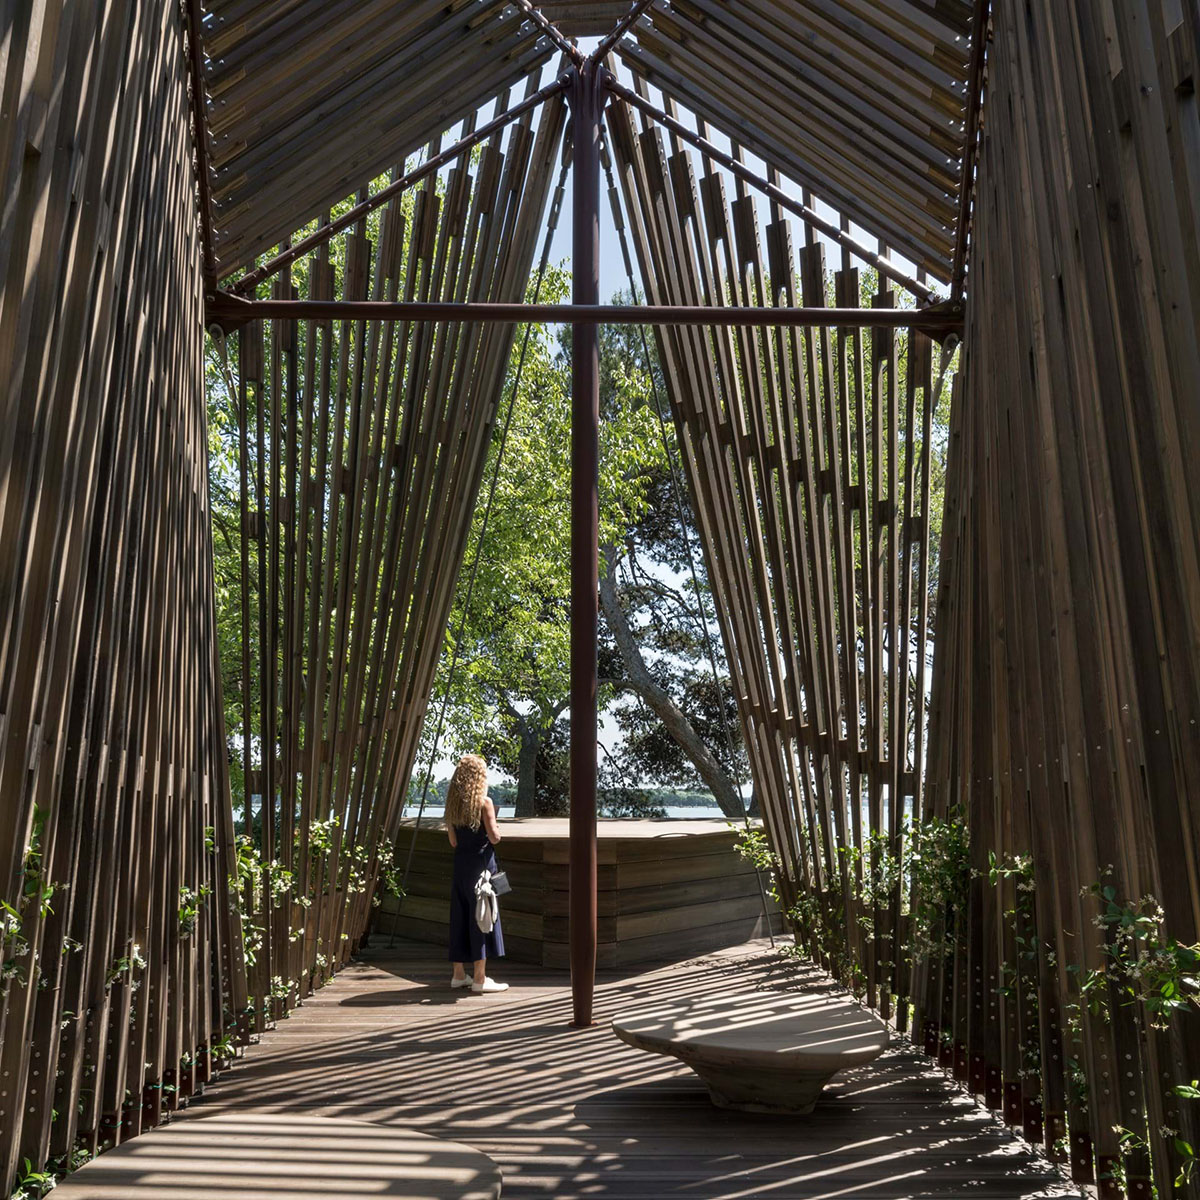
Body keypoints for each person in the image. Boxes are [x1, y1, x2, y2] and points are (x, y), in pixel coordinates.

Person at [445, 753, 509, 994]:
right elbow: (494, 837)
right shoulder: (484, 803)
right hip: (481, 868)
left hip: (460, 867)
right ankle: (480, 979)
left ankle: (458, 975)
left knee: (460, 917)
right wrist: (497, 829)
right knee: (482, 917)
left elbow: (453, 841)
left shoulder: (452, 804)